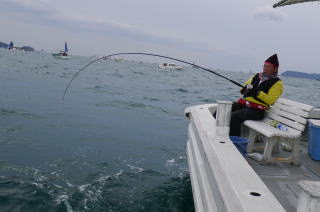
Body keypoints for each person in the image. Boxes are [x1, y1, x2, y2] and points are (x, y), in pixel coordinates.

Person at [229, 54, 283, 136]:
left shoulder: (278, 83)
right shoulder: (257, 76)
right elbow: (243, 88)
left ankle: (234, 141)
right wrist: (245, 89)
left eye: (268, 67)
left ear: (275, 69)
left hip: (257, 111)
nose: (265, 68)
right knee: (223, 109)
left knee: (233, 117)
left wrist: (257, 93)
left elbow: (270, 100)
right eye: (264, 66)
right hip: (244, 105)